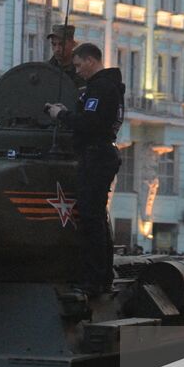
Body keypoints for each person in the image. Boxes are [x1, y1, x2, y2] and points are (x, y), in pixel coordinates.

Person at [45, 43, 124, 296]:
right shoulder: (107, 86)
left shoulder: (100, 88)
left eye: (79, 65)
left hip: (96, 155)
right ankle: (101, 276)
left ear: (90, 60)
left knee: (91, 218)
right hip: (100, 154)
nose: (77, 71)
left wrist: (61, 115)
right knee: (97, 218)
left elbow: (89, 123)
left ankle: (93, 279)